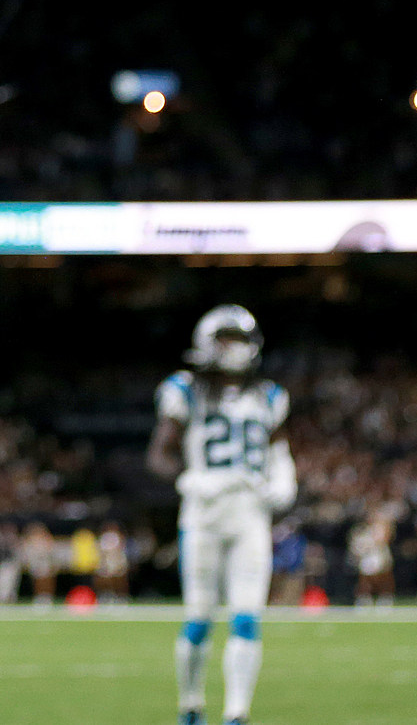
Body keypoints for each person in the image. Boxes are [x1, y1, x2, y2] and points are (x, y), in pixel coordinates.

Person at [149, 305, 296, 725]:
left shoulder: (269, 395)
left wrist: (285, 476)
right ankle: (191, 706)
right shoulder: (184, 389)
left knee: (248, 614)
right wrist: (188, 479)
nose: (235, 349)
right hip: (203, 513)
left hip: (250, 513)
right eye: (226, 338)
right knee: (198, 616)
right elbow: (159, 454)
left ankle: (237, 713)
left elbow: (279, 449)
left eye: (240, 339)